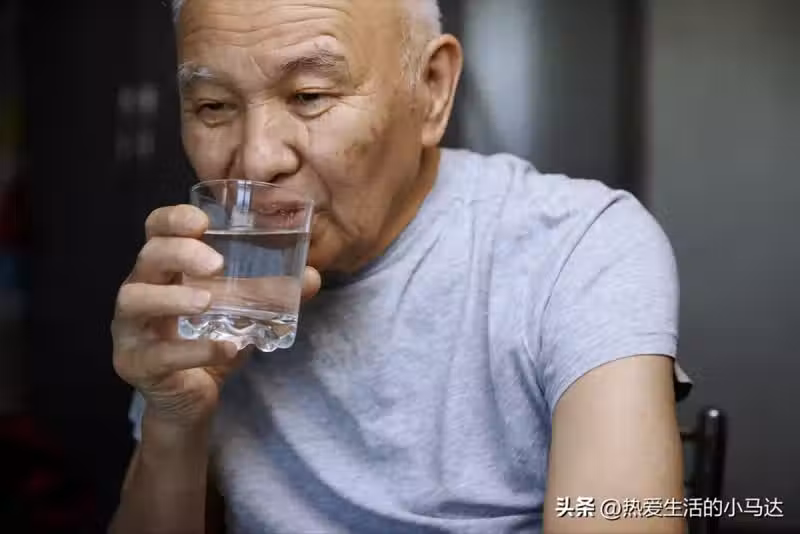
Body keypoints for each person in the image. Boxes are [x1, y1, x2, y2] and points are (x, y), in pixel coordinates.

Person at [110, 1, 691, 532]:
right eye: (213, 106)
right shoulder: (208, 283)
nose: (257, 160)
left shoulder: (577, 247)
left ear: (431, 89)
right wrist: (173, 417)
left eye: (309, 96)